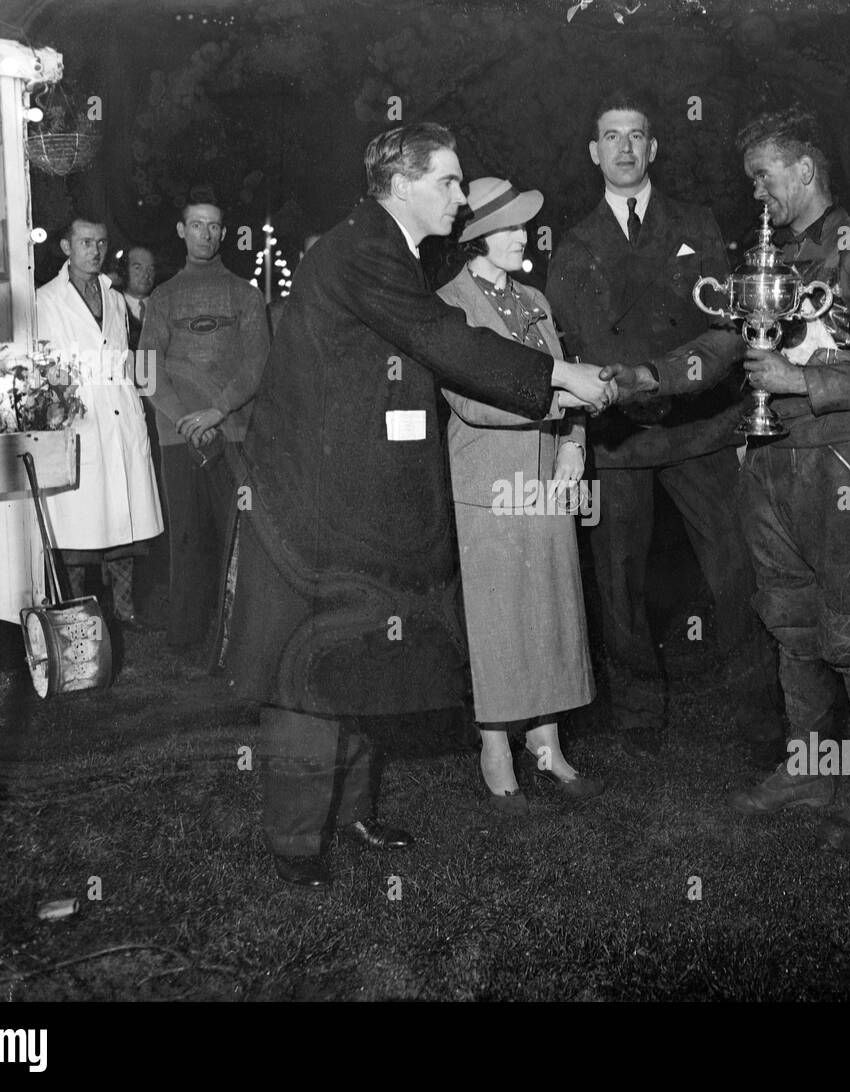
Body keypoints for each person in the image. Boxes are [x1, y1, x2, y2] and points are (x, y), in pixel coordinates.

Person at [224, 123, 615, 886]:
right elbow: (444, 336)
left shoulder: (390, 248)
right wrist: (562, 377)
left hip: (363, 492)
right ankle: (297, 845)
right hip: (312, 502)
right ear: (402, 184)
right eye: (448, 180)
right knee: (307, 673)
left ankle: (355, 813)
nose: (461, 196)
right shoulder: (364, 246)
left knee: (365, 657)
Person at [607, 104, 850, 851]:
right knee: (790, 620)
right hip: (767, 462)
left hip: (839, 461)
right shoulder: (766, 261)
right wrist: (648, 376)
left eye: (764, 178)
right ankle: (809, 767)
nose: (758, 196)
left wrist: (795, 378)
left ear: (806, 170)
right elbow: (722, 344)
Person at [546, 90, 781, 760]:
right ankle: (639, 713)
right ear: (595, 152)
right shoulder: (574, 241)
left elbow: (728, 325)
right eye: (611, 135)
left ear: (653, 148)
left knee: (736, 570)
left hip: (700, 424)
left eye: (637, 135)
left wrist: (671, 377)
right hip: (619, 436)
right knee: (620, 582)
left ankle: (759, 713)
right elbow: (569, 348)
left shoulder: (698, 222)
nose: (624, 147)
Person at [436, 177, 603, 814]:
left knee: (550, 609)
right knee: (498, 620)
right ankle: (496, 750)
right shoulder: (449, 305)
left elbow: (570, 377)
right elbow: (470, 399)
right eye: (506, 227)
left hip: (548, 476)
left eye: (523, 226)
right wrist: (561, 399)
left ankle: (548, 746)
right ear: (474, 237)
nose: (522, 236)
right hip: (486, 481)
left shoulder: (533, 297)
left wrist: (573, 444)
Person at [140, 192, 270, 651]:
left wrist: (218, 411)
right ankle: (187, 642)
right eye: (196, 224)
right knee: (189, 543)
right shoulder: (162, 297)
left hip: (234, 436)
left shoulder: (246, 295)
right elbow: (147, 373)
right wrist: (186, 421)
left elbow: (258, 364)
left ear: (224, 232)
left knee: (238, 540)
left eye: (214, 226)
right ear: (182, 230)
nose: (206, 234)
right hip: (180, 441)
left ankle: (237, 642)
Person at [35, 216, 163, 625]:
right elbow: (44, 364)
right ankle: (77, 614)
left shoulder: (114, 296)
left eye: (102, 243)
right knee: (78, 524)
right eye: (86, 242)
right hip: (79, 414)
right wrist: (59, 403)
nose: (95, 250)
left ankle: (125, 612)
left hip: (118, 409)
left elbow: (128, 357)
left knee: (123, 520)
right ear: (66, 247)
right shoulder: (46, 299)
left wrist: (139, 403)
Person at [120, 245, 156, 351]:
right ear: (124, 271)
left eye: (151, 269)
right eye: (138, 268)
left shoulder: (163, 308)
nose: (146, 275)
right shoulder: (112, 306)